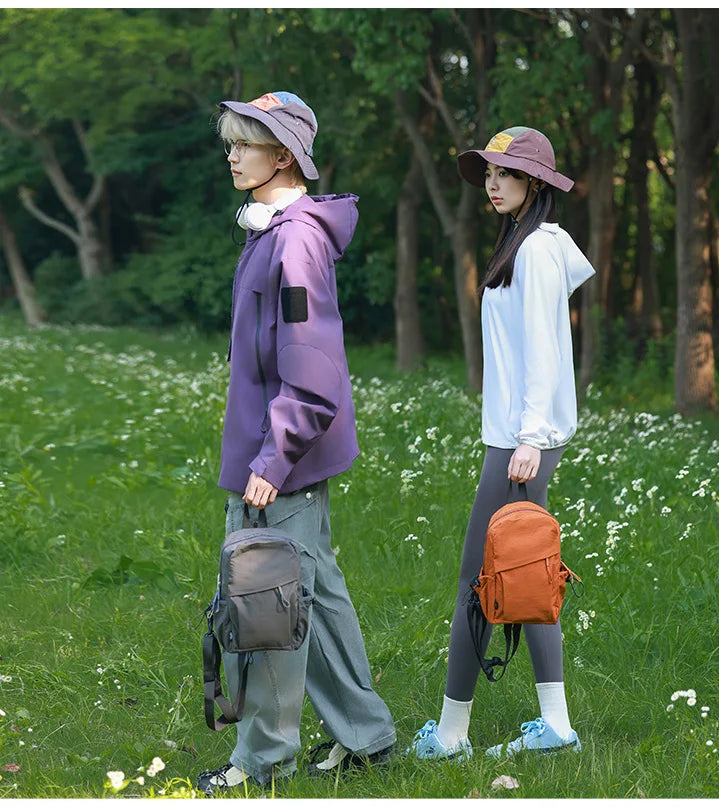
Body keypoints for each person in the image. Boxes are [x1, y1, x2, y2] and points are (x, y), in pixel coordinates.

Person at [197, 91, 396, 795]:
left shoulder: (295, 241)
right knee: (317, 595)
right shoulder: (269, 232)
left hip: (281, 459)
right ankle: (367, 736)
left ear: (283, 155)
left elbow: (312, 369)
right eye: (230, 142)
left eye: (245, 144)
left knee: (267, 601)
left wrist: (273, 459)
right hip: (279, 451)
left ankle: (262, 760)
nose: (232, 155)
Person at [410, 127, 595, 761]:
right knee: (521, 572)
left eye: (507, 173)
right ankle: (554, 726)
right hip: (516, 437)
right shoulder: (521, 240)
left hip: (522, 442)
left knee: (481, 577)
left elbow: (543, 346)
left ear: (535, 183)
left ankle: (451, 735)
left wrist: (531, 438)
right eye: (489, 173)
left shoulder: (537, 249)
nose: (493, 183)